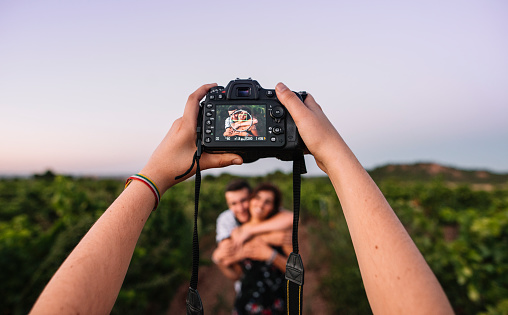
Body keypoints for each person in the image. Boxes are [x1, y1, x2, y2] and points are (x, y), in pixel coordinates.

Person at [30, 82, 454, 315]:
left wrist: (155, 175)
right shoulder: (240, 223)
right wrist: (336, 158)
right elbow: (227, 256)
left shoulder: (254, 220)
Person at [217, 183, 292, 315]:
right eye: (257, 198)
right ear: (251, 200)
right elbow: (238, 274)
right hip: (245, 304)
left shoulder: (281, 233)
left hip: (276, 304)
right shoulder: (236, 233)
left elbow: (298, 273)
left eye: (267, 202)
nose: (260, 205)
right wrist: (223, 260)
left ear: (275, 208)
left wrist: (272, 255)